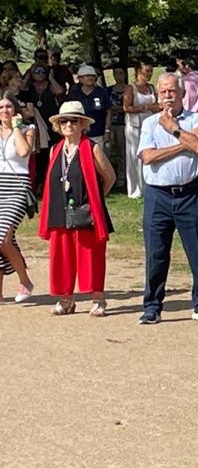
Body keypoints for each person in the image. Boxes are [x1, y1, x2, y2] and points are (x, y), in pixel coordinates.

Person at [137, 73, 198, 324]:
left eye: (172, 91)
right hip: (158, 196)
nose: (167, 96)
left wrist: (173, 129)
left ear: (182, 94)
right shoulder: (150, 123)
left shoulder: (196, 118)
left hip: (190, 193)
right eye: (163, 92)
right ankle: (152, 306)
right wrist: (182, 142)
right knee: (156, 253)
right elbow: (148, 157)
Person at [38, 101, 117, 316]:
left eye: (74, 120)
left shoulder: (92, 147)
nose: (68, 124)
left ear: (82, 124)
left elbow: (109, 177)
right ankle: (66, 300)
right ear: (58, 125)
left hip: (85, 211)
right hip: (59, 212)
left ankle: (98, 299)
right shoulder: (55, 149)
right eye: (64, 120)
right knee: (61, 257)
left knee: (90, 254)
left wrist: (95, 199)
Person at [0, 95, 36, 302]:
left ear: (15, 109)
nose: (5, 110)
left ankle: (25, 281)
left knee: (3, 237)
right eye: (1, 107)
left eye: (8, 106)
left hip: (17, 187)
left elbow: (24, 152)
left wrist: (16, 127)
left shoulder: (27, 129)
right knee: (4, 241)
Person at [18, 64, 62, 186]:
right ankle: (39, 182)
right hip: (35, 124)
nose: (40, 73)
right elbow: (20, 89)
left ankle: (50, 180)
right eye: (36, 71)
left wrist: (51, 78)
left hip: (51, 124)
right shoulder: (29, 88)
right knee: (38, 155)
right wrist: (27, 76)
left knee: (51, 152)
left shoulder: (50, 86)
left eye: (42, 71)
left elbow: (60, 91)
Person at [123, 59, 158, 199]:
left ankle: (149, 185)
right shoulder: (131, 88)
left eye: (151, 71)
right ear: (138, 71)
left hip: (150, 125)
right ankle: (136, 189)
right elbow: (126, 108)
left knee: (150, 154)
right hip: (135, 126)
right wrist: (146, 108)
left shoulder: (151, 88)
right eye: (146, 71)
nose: (149, 74)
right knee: (135, 156)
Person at [65, 64, 111, 146]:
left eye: (92, 76)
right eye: (86, 76)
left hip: (98, 134)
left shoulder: (102, 92)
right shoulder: (75, 94)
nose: (90, 78)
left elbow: (108, 111)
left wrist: (107, 130)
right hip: (79, 134)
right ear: (80, 78)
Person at [107, 66, 128, 189]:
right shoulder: (109, 90)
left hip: (123, 124)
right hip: (111, 124)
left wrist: (116, 108)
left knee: (122, 152)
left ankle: (122, 178)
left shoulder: (129, 89)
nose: (118, 75)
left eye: (121, 73)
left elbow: (127, 107)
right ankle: (109, 177)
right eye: (116, 73)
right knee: (108, 151)